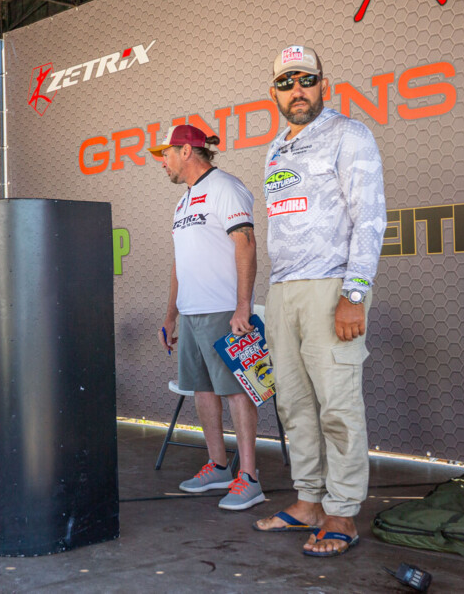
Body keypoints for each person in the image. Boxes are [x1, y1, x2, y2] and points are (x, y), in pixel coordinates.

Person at [252, 46, 386, 557]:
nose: (297, 90)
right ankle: (308, 501)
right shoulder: (275, 149)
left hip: (332, 288)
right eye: (286, 82)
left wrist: (354, 293)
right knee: (294, 406)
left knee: (338, 406)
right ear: (274, 92)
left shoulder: (349, 134)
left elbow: (369, 217)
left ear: (323, 84)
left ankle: (342, 512)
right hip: (283, 292)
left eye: (306, 80)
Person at [150, 124, 265, 511]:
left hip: (224, 310)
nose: (162, 162)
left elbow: (246, 244)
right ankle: (218, 466)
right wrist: (170, 316)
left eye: (166, 154)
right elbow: (179, 264)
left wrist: (243, 306)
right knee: (201, 389)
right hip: (191, 312)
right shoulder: (182, 203)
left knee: (236, 390)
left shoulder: (225, 187)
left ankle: (249, 477)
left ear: (186, 151)